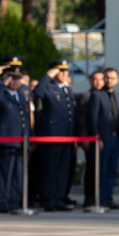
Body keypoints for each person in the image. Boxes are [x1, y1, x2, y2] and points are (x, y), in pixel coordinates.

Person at [33, 59, 76, 212]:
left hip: (66, 135)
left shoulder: (67, 89)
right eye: (61, 71)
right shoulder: (48, 87)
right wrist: (48, 76)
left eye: (66, 71)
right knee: (50, 169)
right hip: (52, 135)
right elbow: (37, 92)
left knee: (62, 169)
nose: (64, 74)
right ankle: (48, 198)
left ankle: (59, 197)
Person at [0, 66, 30, 214]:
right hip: (6, 140)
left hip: (20, 140)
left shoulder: (20, 94)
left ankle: (15, 200)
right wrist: (2, 85)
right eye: (13, 78)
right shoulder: (1, 93)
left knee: (17, 174)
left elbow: (24, 118)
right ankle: (3, 201)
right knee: (5, 174)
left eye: (18, 78)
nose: (16, 82)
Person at [87, 67, 119, 209]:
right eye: (107, 78)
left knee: (112, 170)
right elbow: (93, 119)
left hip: (116, 139)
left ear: (117, 80)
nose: (109, 80)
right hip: (104, 139)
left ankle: (108, 198)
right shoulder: (97, 95)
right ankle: (100, 199)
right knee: (102, 171)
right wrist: (97, 137)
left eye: (112, 78)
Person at [75, 70, 105, 207]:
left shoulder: (105, 95)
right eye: (95, 79)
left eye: (100, 79)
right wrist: (84, 137)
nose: (97, 82)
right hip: (91, 138)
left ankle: (101, 197)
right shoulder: (86, 96)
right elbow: (81, 119)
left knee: (101, 169)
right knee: (92, 169)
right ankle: (89, 198)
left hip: (105, 138)